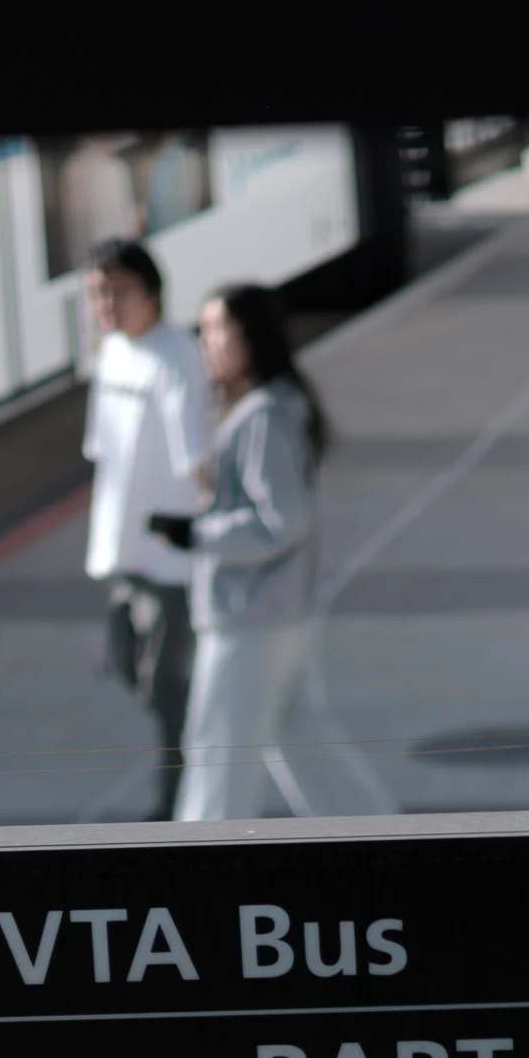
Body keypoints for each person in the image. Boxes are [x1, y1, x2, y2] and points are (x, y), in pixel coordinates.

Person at [178, 281, 327, 822]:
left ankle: (198, 866)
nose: (207, 342)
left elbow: (282, 522)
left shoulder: (262, 417)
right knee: (308, 751)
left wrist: (196, 534)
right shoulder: (268, 410)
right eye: (204, 330)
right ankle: (381, 837)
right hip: (275, 611)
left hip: (250, 617)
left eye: (219, 328)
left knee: (219, 752)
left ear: (253, 337)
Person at [82, 238, 211, 822]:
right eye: (95, 293)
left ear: (152, 292)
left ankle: (178, 804)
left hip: (170, 559)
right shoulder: (111, 353)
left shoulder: (179, 355)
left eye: (117, 291)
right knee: (133, 671)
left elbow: (198, 460)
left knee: (167, 688)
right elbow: (104, 454)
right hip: (121, 554)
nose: (105, 304)